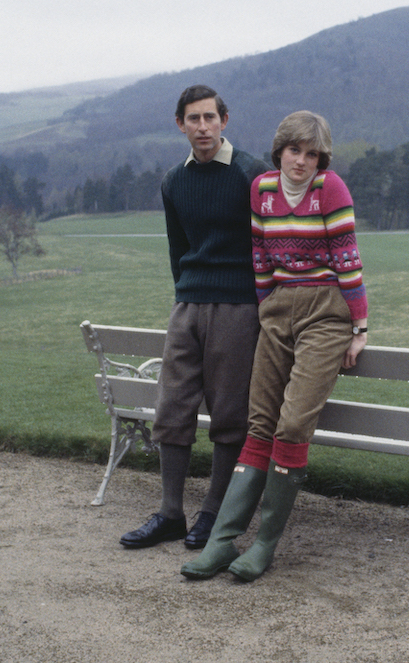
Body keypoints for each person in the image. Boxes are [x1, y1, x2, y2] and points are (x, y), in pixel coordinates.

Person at [182, 110, 367, 581]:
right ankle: (222, 543)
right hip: (278, 309)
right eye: (294, 151)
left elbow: (347, 259)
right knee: (258, 423)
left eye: (311, 153)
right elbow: (261, 255)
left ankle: (263, 544)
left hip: (326, 313)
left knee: (291, 426)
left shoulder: (330, 189)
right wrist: (268, 309)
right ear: (279, 151)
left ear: (321, 157)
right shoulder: (262, 190)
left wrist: (359, 327)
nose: (302, 162)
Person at [119, 86, 268, 550]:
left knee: (229, 413)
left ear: (225, 119)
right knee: (173, 406)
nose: (202, 127)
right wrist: (186, 294)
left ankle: (213, 512)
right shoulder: (173, 181)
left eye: (210, 117)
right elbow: (177, 248)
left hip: (239, 308)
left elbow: (268, 247)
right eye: (193, 119)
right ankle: (169, 513)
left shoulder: (251, 174)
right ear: (179, 124)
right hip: (187, 305)